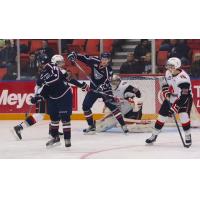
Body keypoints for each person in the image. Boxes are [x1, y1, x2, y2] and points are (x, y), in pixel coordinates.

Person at [11, 54, 87, 148]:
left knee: (54, 113)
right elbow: (47, 83)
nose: (62, 64)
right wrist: (39, 95)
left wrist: (82, 85)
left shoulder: (49, 69)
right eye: (59, 62)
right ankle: (20, 127)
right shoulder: (51, 70)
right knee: (41, 114)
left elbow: (57, 79)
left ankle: (52, 132)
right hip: (45, 93)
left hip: (46, 93)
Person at [67, 52, 128, 134]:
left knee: (113, 107)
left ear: (109, 60)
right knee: (85, 106)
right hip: (93, 89)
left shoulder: (108, 70)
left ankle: (123, 125)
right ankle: (91, 126)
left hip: (105, 90)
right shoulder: (94, 61)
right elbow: (85, 58)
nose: (104, 61)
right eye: (103, 59)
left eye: (106, 60)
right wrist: (75, 55)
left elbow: (107, 81)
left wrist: (101, 88)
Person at [145, 57, 193, 147]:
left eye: (171, 66)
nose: (169, 67)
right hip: (172, 97)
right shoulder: (168, 72)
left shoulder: (183, 78)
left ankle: (187, 135)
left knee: (184, 117)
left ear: (177, 66)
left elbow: (184, 96)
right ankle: (154, 135)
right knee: (161, 117)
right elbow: (165, 84)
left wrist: (175, 107)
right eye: (168, 65)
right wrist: (166, 92)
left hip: (184, 98)